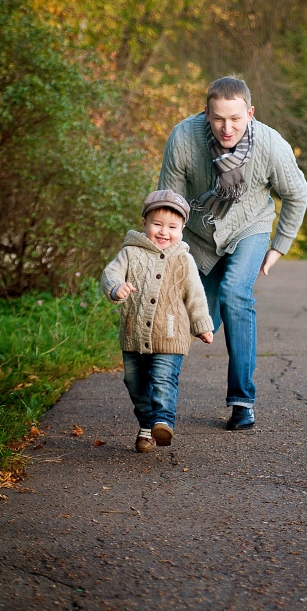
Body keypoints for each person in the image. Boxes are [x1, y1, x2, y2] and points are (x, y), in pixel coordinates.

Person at [158, 76, 307, 431]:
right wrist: (167, 256)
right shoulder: (183, 138)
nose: (227, 129)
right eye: (219, 119)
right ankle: (159, 406)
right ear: (206, 113)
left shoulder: (270, 144)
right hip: (198, 235)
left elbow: (297, 194)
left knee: (235, 292)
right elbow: (170, 204)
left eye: (236, 119)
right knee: (189, 314)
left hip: (249, 227)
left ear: (250, 113)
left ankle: (242, 401)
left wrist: (279, 246)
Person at [101, 189, 213, 453]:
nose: (164, 232)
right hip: (134, 333)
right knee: (135, 383)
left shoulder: (183, 259)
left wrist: (202, 325)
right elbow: (110, 273)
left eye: (172, 227)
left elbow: (195, 295)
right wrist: (116, 287)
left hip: (171, 335)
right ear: (145, 223)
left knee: (163, 379)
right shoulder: (130, 253)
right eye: (157, 224)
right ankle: (146, 427)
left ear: (182, 228)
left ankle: (163, 422)